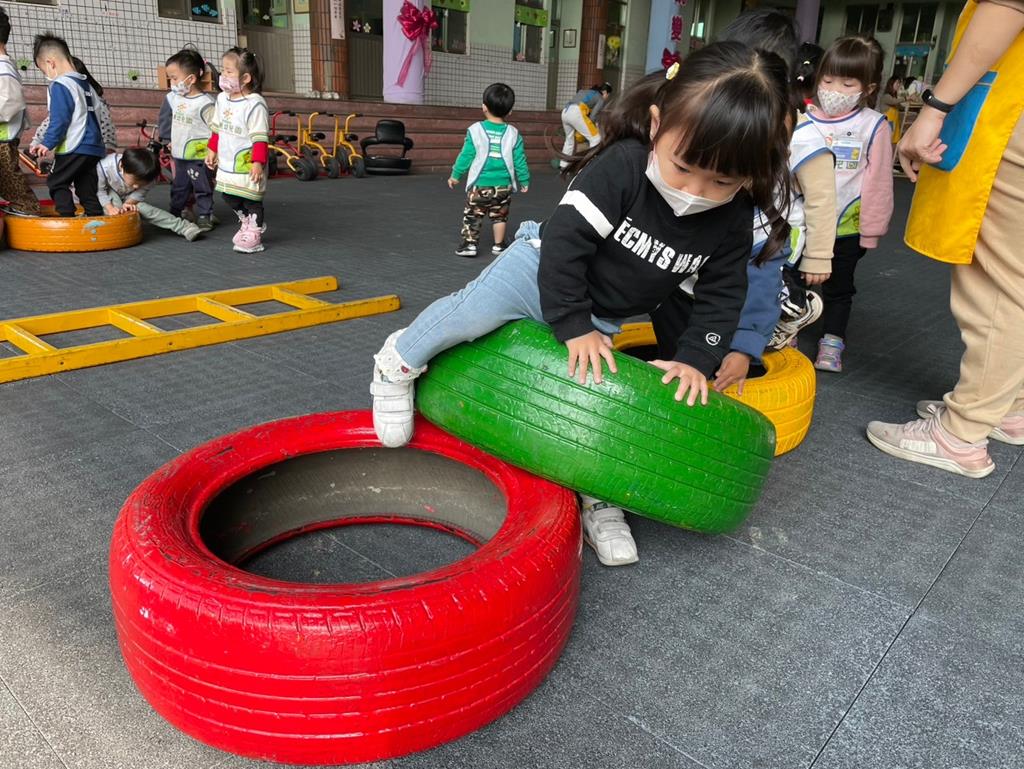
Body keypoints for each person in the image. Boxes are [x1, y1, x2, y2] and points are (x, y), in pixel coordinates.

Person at [370, 42, 792, 566]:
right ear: (657, 124)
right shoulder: (624, 166)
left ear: (751, 175)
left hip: (603, 313)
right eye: (683, 167)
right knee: (471, 315)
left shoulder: (732, 218)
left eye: (722, 181)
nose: (697, 190)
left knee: (595, 401)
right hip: (539, 268)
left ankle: (599, 498)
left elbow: (723, 296)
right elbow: (568, 243)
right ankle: (398, 359)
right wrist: (571, 323)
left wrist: (695, 359)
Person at [867, 0, 1024, 478]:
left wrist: (935, 108)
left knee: (999, 282)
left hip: (1013, 115)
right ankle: (1007, 406)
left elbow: (1008, 5)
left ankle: (960, 434)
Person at [705, 10, 836, 393]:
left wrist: (819, 257)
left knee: (757, 287)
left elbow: (822, 200)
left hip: (767, 233)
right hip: (721, 223)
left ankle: (785, 310)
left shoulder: (803, 133)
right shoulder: (723, 112)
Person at [805, 36, 894, 372]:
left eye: (847, 84)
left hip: (845, 227)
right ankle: (789, 331)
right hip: (802, 222)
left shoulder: (873, 125)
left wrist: (870, 230)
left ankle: (832, 340)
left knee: (839, 289)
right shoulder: (803, 117)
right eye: (828, 80)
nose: (834, 90)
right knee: (792, 280)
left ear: (867, 88)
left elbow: (879, 181)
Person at [448, 82, 530, 258]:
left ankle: (469, 245)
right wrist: (524, 180)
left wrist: (455, 175)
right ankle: (499, 245)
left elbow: (466, 155)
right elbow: (520, 160)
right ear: (510, 111)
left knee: (473, 215)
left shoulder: (475, 130)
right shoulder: (514, 133)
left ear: (484, 107)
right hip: (504, 186)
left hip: (479, 185)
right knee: (500, 216)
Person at [29, 33, 104, 217]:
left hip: (74, 146)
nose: (46, 75)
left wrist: (47, 143)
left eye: (44, 70)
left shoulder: (61, 85)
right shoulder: (87, 86)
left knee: (57, 182)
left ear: (51, 63)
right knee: (86, 186)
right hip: (93, 148)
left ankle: (67, 218)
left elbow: (59, 119)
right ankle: (96, 217)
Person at [205, 47, 268, 253]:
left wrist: (258, 163)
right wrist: (212, 150)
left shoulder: (255, 103)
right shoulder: (222, 98)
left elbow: (259, 137)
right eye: (222, 70)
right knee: (228, 195)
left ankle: (255, 231)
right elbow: (217, 128)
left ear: (246, 78)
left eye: (229, 71)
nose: (223, 75)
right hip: (227, 160)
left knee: (251, 198)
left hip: (247, 162)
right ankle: (246, 221)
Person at [161, 48, 216, 231]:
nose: (172, 83)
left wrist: (214, 151)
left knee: (202, 186)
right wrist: (168, 140)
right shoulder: (174, 98)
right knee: (179, 186)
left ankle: (205, 215)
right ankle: (175, 212)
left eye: (174, 78)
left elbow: (216, 129)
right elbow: (169, 121)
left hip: (199, 155)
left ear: (191, 79)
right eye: (170, 78)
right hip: (179, 154)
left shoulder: (205, 103)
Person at [97, 147, 202, 241]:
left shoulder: (150, 176)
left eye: (141, 184)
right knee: (117, 210)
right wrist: (110, 208)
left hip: (130, 196)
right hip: (109, 193)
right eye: (135, 181)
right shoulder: (104, 166)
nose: (136, 186)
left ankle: (184, 227)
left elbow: (140, 192)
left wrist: (129, 203)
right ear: (122, 166)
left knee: (145, 209)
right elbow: (100, 191)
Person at [0, 6, 40, 215]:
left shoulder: (3, 68)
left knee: (8, 176)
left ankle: (27, 208)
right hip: (4, 136)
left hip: (3, 138)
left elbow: (10, 103)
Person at [31, 57, 116, 154]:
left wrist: (39, 141)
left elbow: (54, 121)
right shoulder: (94, 98)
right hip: (86, 149)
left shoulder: (93, 100)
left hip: (76, 149)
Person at [559, 82, 612, 168]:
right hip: (576, 113)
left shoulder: (586, 91)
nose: (607, 98)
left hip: (565, 112)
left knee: (569, 140)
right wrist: (595, 127)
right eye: (608, 96)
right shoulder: (600, 98)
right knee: (596, 138)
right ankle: (590, 166)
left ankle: (563, 166)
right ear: (605, 92)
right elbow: (593, 117)